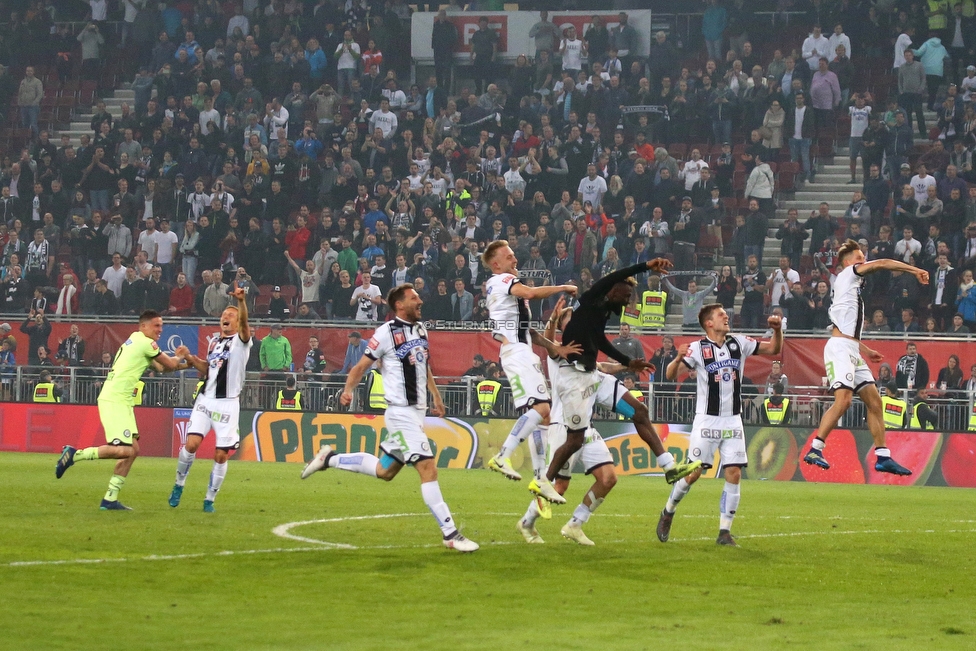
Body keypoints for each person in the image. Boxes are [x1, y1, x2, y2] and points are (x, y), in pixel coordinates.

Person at [301, 284, 479, 553]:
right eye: (414, 298)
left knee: (385, 471)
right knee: (428, 468)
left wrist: (436, 396)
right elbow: (360, 366)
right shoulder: (385, 333)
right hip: (400, 413)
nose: (420, 301)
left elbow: (424, 365)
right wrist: (348, 390)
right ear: (399, 305)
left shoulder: (421, 330)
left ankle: (330, 458)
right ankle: (450, 534)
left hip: (416, 413)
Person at [544, 258, 701, 491]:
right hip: (573, 388)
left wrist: (628, 362)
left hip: (592, 379)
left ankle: (668, 467)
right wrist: (647, 266)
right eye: (626, 295)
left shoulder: (600, 312)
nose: (628, 301)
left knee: (639, 410)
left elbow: (600, 341)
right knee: (566, 471)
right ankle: (541, 485)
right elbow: (617, 274)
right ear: (614, 289)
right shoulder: (586, 306)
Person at [658, 305, 783, 547]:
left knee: (734, 472)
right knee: (694, 473)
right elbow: (672, 375)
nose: (726, 317)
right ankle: (668, 510)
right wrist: (677, 357)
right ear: (709, 323)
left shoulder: (739, 343)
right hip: (707, 420)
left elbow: (774, 349)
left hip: (733, 419)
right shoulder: (697, 348)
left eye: (726, 314)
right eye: (721, 315)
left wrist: (777, 331)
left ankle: (724, 532)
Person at [803, 240, 930, 476]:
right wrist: (915, 271)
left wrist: (866, 350)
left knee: (874, 401)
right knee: (844, 401)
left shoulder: (848, 288)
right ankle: (815, 448)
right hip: (840, 349)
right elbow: (882, 263)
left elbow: (843, 328)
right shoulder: (847, 274)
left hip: (850, 348)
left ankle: (883, 456)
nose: (863, 261)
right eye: (859, 257)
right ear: (848, 262)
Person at [55, 311, 189, 510]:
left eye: (161, 326)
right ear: (143, 326)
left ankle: (110, 498)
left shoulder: (135, 339)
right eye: (156, 326)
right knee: (123, 449)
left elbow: (162, 369)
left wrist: (186, 364)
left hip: (121, 400)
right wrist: (179, 356)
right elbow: (169, 363)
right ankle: (75, 454)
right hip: (115, 399)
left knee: (133, 450)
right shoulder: (145, 343)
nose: (160, 330)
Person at [481, 240, 579, 505]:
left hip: (522, 350)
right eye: (509, 256)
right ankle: (503, 456)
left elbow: (529, 332)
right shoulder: (501, 280)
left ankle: (540, 477)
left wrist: (554, 347)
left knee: (541, 417)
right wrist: (562, 286)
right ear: (496, 263)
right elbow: (533, 294)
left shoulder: (507, 291)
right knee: (542, 410)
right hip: (517, 353)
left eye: (514, 255)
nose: (515, 260)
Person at [517, 297, 621, 546]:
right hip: (563, 428)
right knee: (559, 485)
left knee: (608, 478)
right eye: (569, 317)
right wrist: (553, 317)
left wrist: (626, 366)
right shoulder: (559, 352)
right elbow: (547, 340)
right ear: (564, 326)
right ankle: (527, 522)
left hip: (586, 428)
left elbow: (602, 366)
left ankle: (575, 524)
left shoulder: (587, 352)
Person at [168, 288, 251, 513]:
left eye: (231, 315)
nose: (226, 317)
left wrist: (241, 302)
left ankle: (209, 499)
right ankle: (178, 485)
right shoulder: (214, 343)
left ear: (238, 321)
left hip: (228, 404)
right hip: (205, 401)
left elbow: (244, 327)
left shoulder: (241, 342)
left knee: (220, 454)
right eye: (224, 314)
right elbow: (207, 370)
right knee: (191, 444)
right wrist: (190, 358)